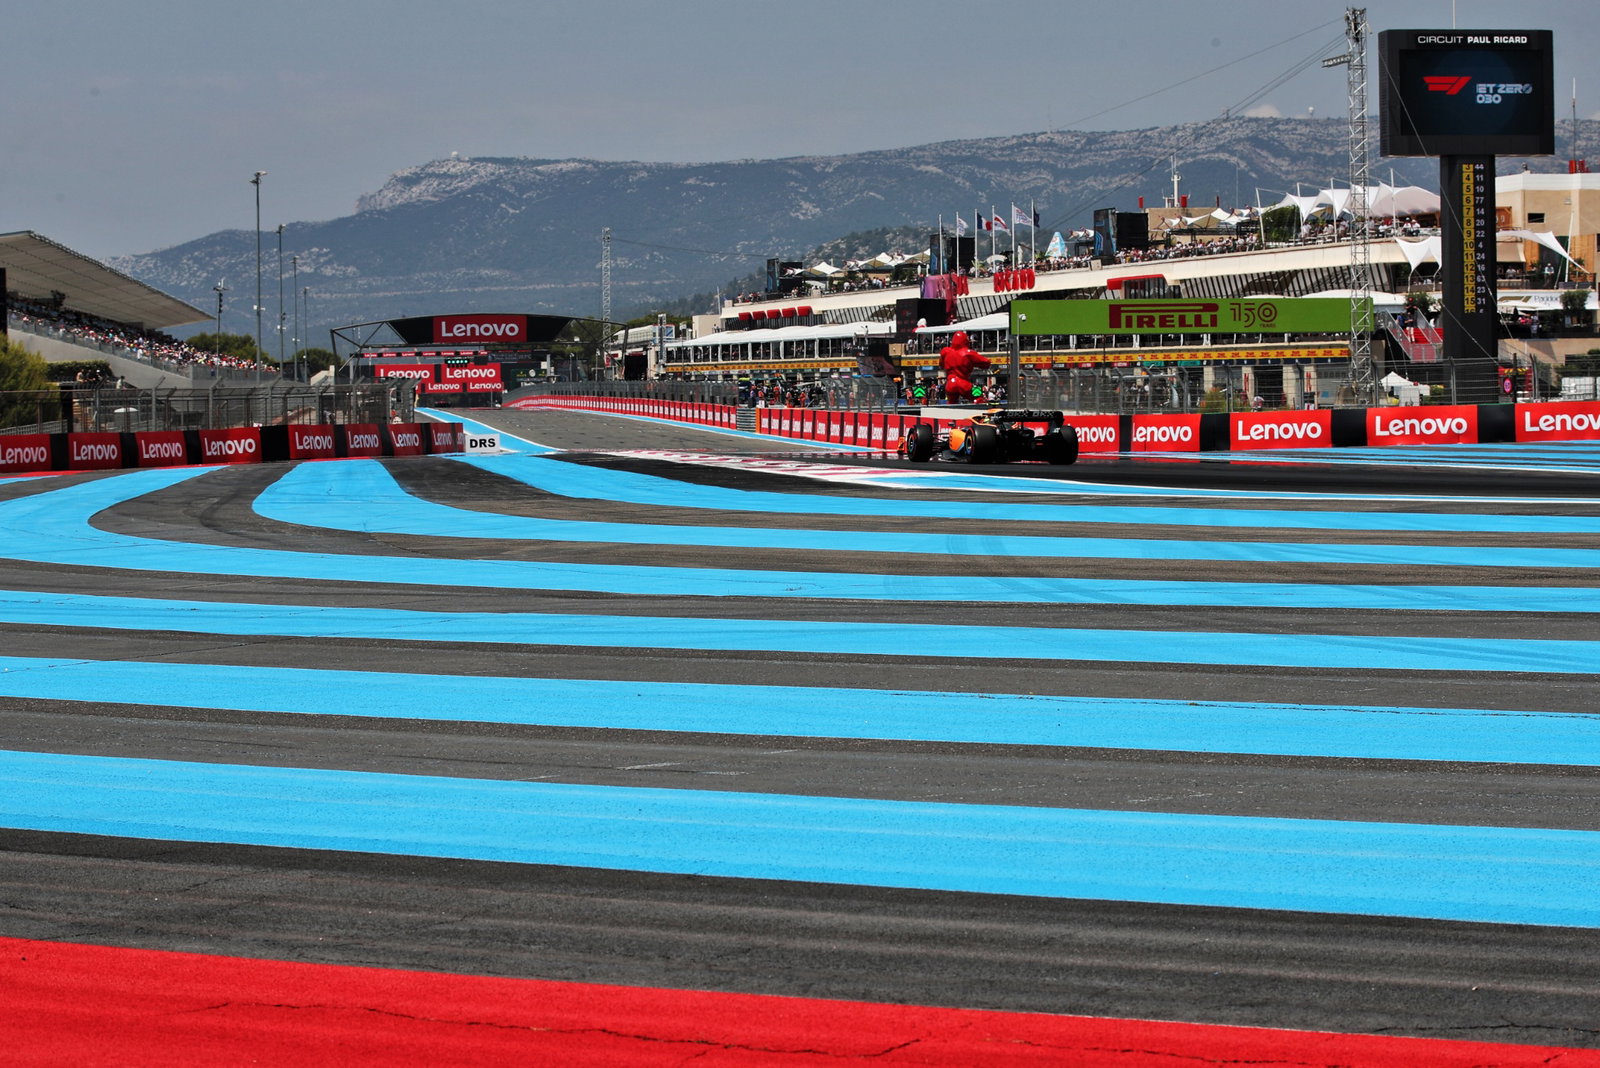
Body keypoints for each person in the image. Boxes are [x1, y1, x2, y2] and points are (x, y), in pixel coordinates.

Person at [939, 331, 990, 404]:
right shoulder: (968, 353)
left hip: (950, 382)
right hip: (963, 382)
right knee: (977, 399)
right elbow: (986, 363)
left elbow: (941, 365)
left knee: (951, 403)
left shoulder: (945, 351)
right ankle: (978, 412)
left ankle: (949, 414)